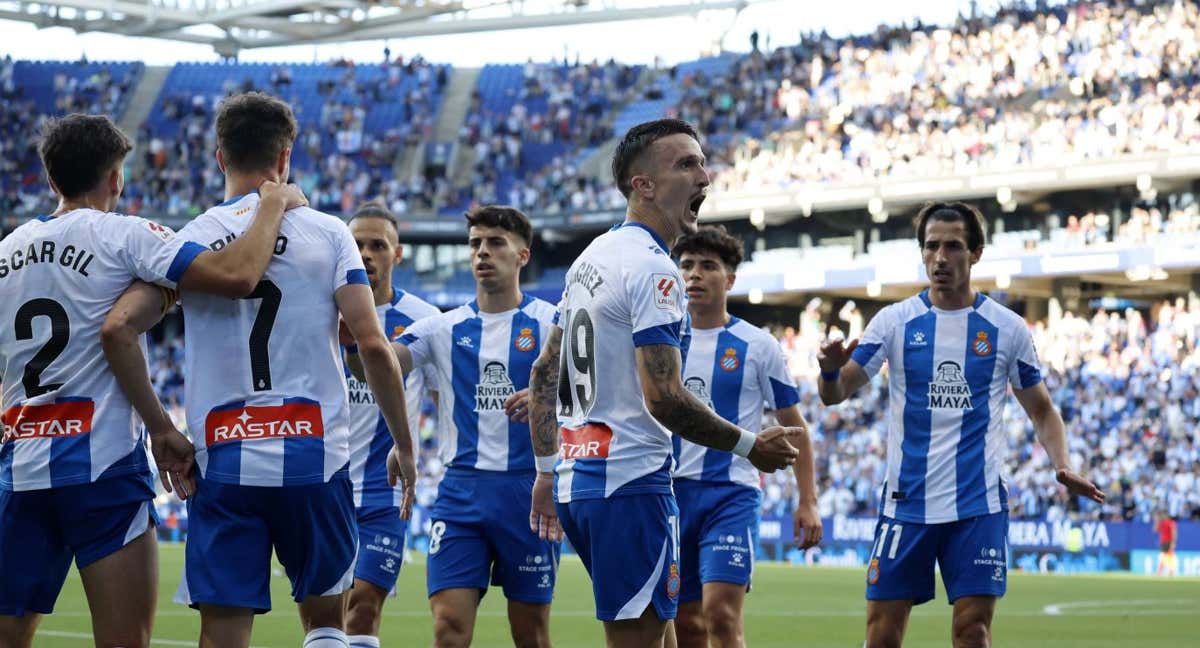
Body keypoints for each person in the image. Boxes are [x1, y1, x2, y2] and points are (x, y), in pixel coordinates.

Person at [0, 113, 303, 647]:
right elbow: (237, 276)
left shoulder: (6, 252)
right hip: (101, 467)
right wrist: (272, 203)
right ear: (116, 179)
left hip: (18, 466)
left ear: (51, 180)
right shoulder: (124, 235)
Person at [526, 118, 800, 648]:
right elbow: (666, 398)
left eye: (702, 162)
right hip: (630, 481)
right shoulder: (654, 268)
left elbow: (543, 373)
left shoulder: (590, 258)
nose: (705, 175)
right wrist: (749, 446)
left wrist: (544, 471)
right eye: (686, 164)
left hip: (577, 477)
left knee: (663, 634)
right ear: (643, 185)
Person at [165, 92, 417, 648]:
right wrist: (405, 444)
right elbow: (373, 345)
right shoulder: (329, 234)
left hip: (223, 456)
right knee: (327, 623)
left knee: (224, 629)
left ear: (218, 157)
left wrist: (161, 428)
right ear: (286, 159)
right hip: (315, 457)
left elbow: (120, 330)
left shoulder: (192, 238)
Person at [816, 201, 1105, 648]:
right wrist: (831, 371)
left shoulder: (1006, 328)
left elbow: (1043, 409)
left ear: (976, 253)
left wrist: (1061, 463)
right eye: (931, 246)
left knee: (973, 632)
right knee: (881, 636)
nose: (940, 257)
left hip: (978, 505)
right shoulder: (893, 322)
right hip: (906, 504)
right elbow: (835, 394)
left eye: (953, 246)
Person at [347, 205, 560, 648]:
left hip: (528, 492)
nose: (482, 252)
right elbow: (381, 363)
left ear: (523, 255)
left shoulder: (552, 323)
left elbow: (595, 390)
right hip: (460, 495)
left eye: (496, 243)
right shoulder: (441, 328)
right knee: (448, 630)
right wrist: (355, 333)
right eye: (475, 243)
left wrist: (552, 395)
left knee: (532, 635)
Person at [669, 225, 822, 648]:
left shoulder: (758, 345)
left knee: (720, 615)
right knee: (685, 624)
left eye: (707, 266)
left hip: (730, 495)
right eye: (686, 265)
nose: (694, 275)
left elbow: (797, 430)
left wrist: (807, 501)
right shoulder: (658, 343)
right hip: (668, 495)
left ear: (730, 279)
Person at [342, 201, 440, 648]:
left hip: (385, 489)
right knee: (326, 611)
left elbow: (444, 394)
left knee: (363, 607)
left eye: (377, 245)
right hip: (326, 482)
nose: (365, 253)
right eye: (355, 244)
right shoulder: (321, 315)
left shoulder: (425, 320)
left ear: (396, 255)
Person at [1156, 511, 1178, 577]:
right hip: (1163, 542)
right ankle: (1160, 572)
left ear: (1166, 515)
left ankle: (1170, 572)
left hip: (1169, 542)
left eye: (1163, 514)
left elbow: (1174, 533)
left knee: (1169, 557)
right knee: (1162, 557)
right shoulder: (1161, 523)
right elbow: (1155, 530)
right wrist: (1157, 522)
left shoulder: (1171, 523)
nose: (1162, 516)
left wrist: (1173, 543)